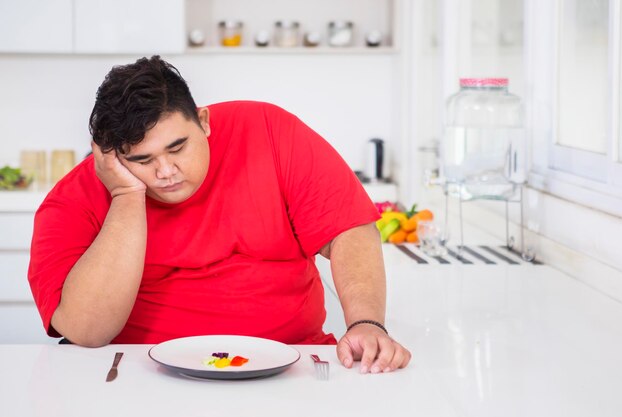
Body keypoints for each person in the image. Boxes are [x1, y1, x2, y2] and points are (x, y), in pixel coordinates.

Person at [28, 56, 411, 374]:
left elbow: (347, 228)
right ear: (109, 157)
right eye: (142, 160)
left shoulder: (270, 130)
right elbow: (85, 331)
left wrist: (366, 323)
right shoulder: (72, 199)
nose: (165, 171)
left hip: (289, 361)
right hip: (139, 371)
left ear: (204, 121)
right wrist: (126, 194)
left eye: (177, 147)